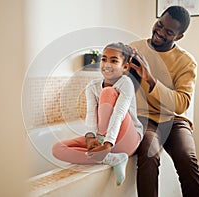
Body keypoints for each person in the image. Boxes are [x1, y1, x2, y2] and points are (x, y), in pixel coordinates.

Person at [128, 6, 199, 197]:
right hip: (144, 119)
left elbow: (181, 103)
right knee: (149, 153)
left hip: (174, 121)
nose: (160, 33)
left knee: (187, 158)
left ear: (179, 37)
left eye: (169, 32)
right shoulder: (134, 49)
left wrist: (150, 79)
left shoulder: (186, 62)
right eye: (159, 25)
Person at [52, 42, 143, 186]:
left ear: (124, 67)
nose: (107, 64)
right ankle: (112, 159)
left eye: (114, 61)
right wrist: (90, 137)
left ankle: (108, 150)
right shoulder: (92, 86)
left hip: (126, 139)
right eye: (104, 59)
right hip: (103, 138)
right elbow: (91, 115)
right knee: (57, 148)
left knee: (108, 93)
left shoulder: (126, 83)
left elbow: (119, 114)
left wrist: (108, 143)